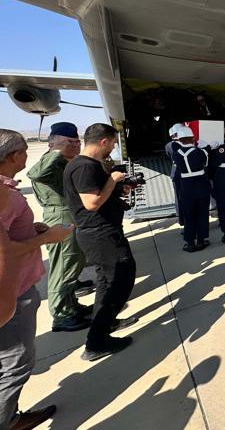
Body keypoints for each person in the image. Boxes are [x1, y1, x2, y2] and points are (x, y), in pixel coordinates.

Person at [0, 128, 70, 430]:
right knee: (17, 362)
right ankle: (7, 420)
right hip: (11, 292)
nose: (28, 156)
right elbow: (4, 251)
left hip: (16, 287)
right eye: (25, 151)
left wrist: (32, 231)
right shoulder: (3, 195)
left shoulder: (8, 190)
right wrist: (48, 237)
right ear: (14, 156)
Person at [63, 123, 137, 361]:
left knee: (106, 281)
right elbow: (92, 203)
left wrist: (118, 190)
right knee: (121, 278)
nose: (113, 147)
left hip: (103, 232)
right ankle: (96, 342)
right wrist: (113, 180)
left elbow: (101, 195)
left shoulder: (88, 165)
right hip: (99, 235)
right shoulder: (83, 166)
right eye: (113, 143)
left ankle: (105, 324)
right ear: (103, 141)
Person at [27, 122, 92, 333]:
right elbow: (36, 174)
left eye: (77, 141)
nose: (76, 145)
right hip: (60, 216)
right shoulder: (50, 161)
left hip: (69, 214)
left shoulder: (63, 161)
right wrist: (58, 150)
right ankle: (61, 315)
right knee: (63, 268)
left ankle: (71, 306)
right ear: (55, 143)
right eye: (70, 142)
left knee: (73, 264)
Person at [171, 126, 211, 253]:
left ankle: (189, 242)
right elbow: (206, 165)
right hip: (201, 184)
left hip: (186, 187)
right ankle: (201, 240)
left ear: (180, 140)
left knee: (189, 215)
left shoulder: (176, 154)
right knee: (202, 214)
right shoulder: (201, 152)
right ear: (192, 138)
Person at [165, 123, 184, 228]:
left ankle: (182, 220)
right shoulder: (188, 143)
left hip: (177, 173)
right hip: (185, 174)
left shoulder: (169, 146)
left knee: (179, 198)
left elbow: (169, 155)